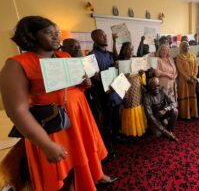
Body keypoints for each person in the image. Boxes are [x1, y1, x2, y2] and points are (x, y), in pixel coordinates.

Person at [0, 16, 115, 191]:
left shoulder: (64, 55)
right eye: (48, 33)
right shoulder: (16, 64)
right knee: (63, 166)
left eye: (57, 33)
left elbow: (78, 86)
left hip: (78, 115)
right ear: (31, 35)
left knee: (85, 153)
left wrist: (85, 82)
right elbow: (17, 111)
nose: (56, 37)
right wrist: (46, 144)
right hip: (53, 124)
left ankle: (93, 178)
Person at [89, 29, 123, 158]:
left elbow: (115, 64)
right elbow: (94, 77)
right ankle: (108, 147)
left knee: (116, 118)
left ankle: (116, 138)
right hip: (105, 94)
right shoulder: (92, 55)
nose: (104, 37)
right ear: (94, 38)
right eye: (101, 35)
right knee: (107, 122)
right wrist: (99, 78)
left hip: (115, 91)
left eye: (105, 35)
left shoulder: (108, 54)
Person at [118, 42, 147, 137]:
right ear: (123, 50)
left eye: (131, 49)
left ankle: (139, 129)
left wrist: (142, 73)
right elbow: (117, 81)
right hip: (126, 88)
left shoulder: (136, 60)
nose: (129, 51)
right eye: (127, 49)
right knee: (128, 107)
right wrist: (123, 77)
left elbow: (142, 78)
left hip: (136, 86)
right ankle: (130, 131)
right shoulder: (119, 63)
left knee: (138, 105)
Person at [176, 41, 198, 119]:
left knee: (192, 95)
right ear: (181, 47)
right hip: (183, 80)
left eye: (188, 46)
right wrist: (187, 78)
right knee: (184, 95)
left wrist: (194, 76)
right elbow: (180, 70)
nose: (187, 48)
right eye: (184, 46)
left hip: (193, 80)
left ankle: (193, 114)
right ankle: (185, 115)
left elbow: (196, 67)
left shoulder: (193, 56)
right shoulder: (179, 57)